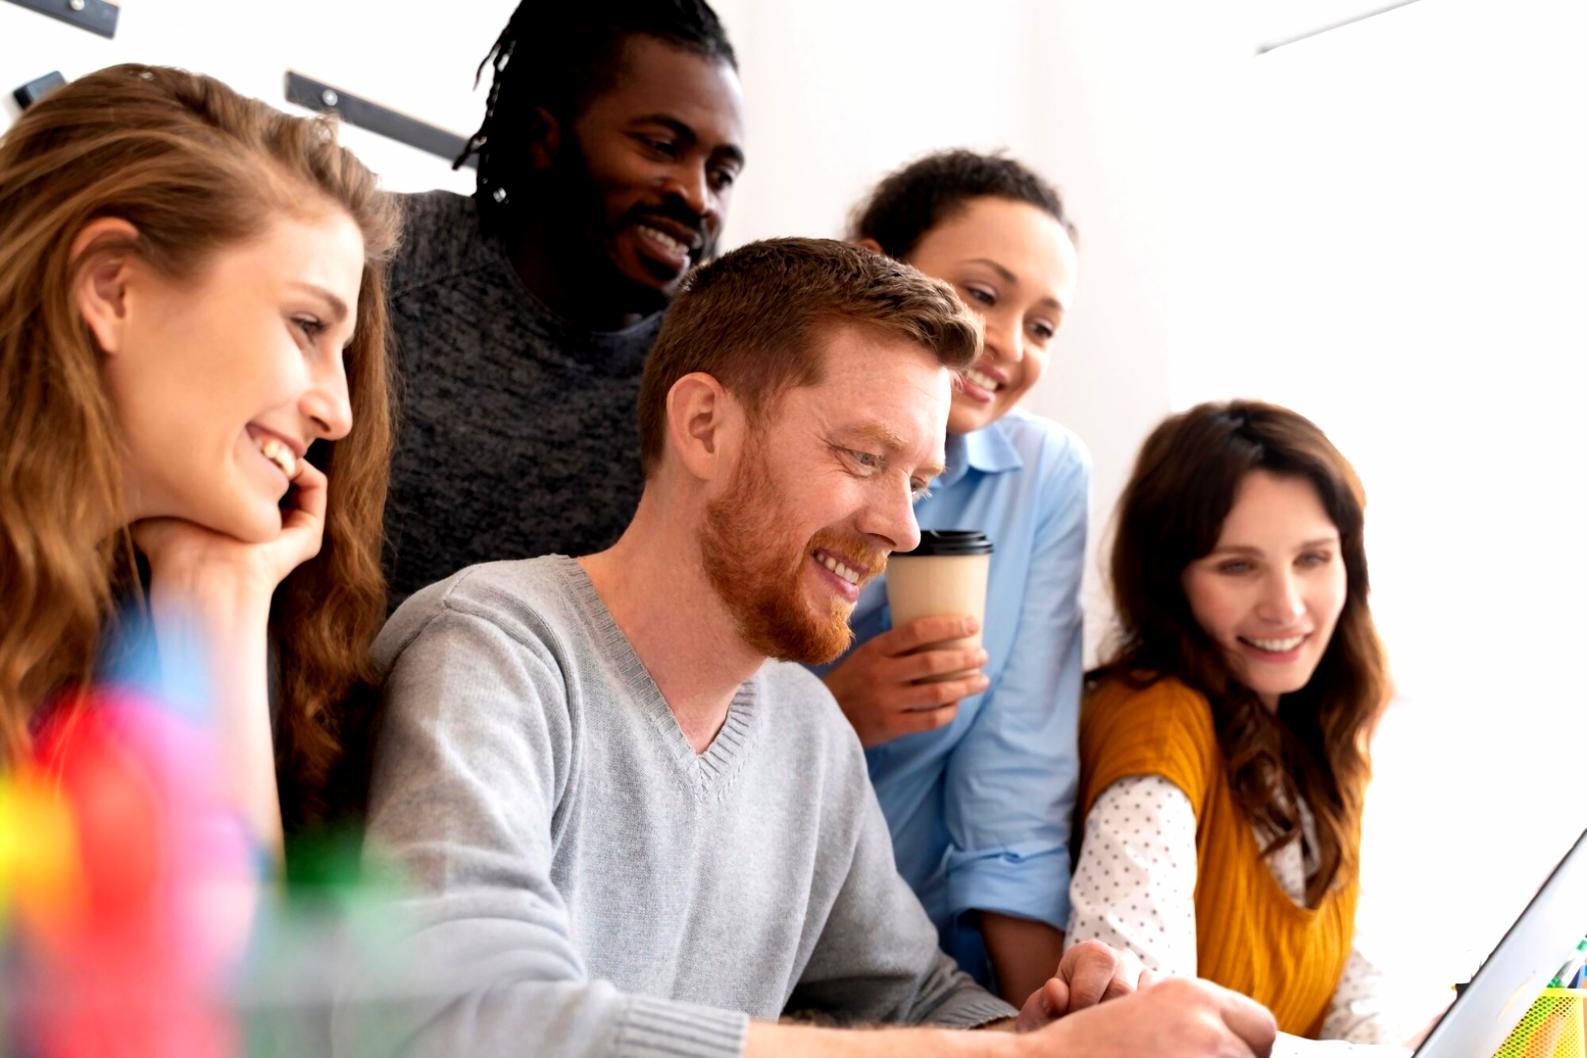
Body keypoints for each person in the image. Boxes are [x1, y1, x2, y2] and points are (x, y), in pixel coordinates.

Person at [361, 239, 1277, 1058]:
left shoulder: (805, 727)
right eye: (864, 458)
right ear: (705, 426)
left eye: (918, 481)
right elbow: (468, 1019)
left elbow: (910, 993)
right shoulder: (491, 648)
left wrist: (1032, 1028)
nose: (904, 528)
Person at [0, 64, 400, 848]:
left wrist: (217, 598)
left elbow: (227, 970)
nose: (339, 412)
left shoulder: (138, 619)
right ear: (112, 288)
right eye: (306, 327)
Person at [811, 151, 1087, 1003]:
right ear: (873, 268)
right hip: (767, 923)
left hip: (934, 955)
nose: (1006, 343)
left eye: (1041, 326)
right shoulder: (783, 434)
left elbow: (1018, 772)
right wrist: (830, 713)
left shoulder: (1039, 475)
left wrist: (1042, 1018)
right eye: (982, 294)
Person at [383, 0, 746, 604]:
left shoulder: (713, 370)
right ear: (540, 137)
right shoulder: (386, 267)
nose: (698, 196)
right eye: (660, 145)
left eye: (722, 173)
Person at [1065, 400, 1393, 1042]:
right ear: (1170, 583)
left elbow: (1360, 1002)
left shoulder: (1325, 726)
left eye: (1313, 558)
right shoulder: (1157, 719)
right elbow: (1140, 1036)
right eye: (1238, 566)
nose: (1287, 606)